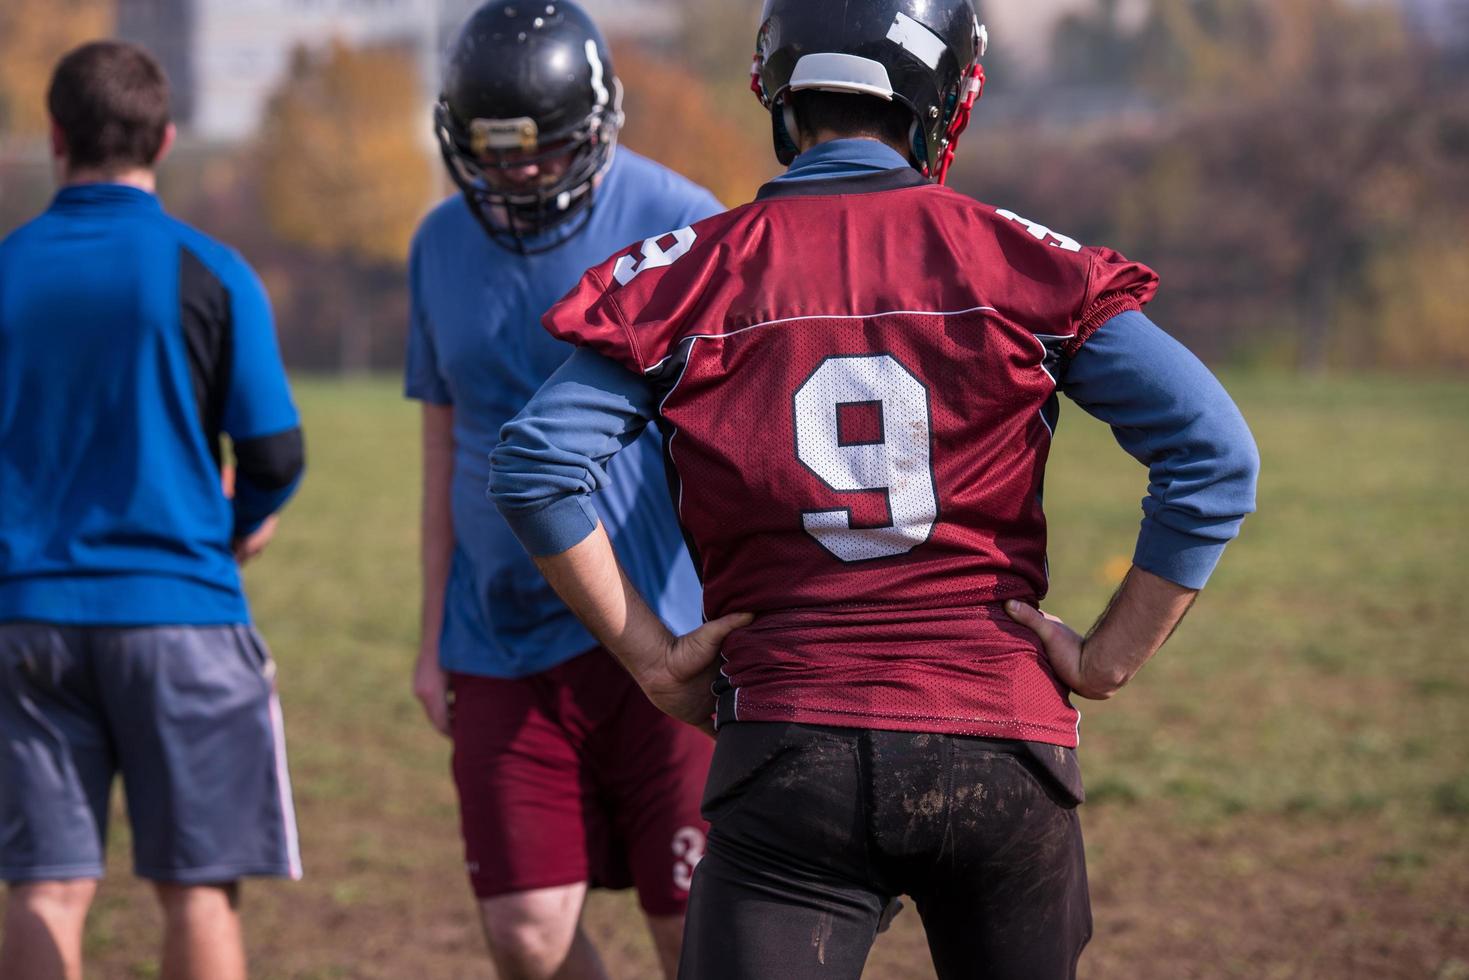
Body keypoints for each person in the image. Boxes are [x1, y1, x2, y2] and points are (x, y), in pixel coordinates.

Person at [489, 1, 1262, 977]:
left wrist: (651, 658)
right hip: (998, 744)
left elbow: (535, 465)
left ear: (778, 89)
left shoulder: (688, 275)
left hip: (788, 744)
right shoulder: (1015, 258)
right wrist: (1106, 655)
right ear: (942, 95)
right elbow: (1213, 451)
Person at [405, 4, 723, 977]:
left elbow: (733, 442)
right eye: (497, 156)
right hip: (497, 635)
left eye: (544, 152)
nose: (521, 175)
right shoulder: (436, 242)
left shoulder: (683, 220)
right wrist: (429, 634)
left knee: (692, 930)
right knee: (524, 933)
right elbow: (442, 444)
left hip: (660, 627)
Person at [0, 41, 304, 980]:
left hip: (25, 620)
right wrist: (244, 516)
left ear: (56, 136)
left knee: (44, 889)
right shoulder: (208, 270)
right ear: (165, 139)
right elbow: (275, 452)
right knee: (197, 888)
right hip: (179, 612)